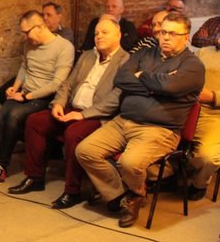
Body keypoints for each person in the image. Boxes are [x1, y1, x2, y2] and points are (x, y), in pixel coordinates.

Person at [75, 12, 205, 228]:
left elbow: (170, 86)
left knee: (129, 162)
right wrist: (155, 88)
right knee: (85, 151)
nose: (165, 37)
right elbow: (121, 78)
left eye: (173, 34)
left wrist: (141, 76)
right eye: (163, 32)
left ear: (186, 37)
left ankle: (134, 195)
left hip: (159, 129)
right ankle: (124, 195)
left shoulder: (193, 66)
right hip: (123, 120)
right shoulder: (144, 53)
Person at [8, 18, 129, 208]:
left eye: (104, 33)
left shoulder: (126, 61)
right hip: (72, 107)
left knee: (73, 133)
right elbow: (67, 84)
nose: (99, 36)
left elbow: (116, 98)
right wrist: (59, 103)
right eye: (96, 33)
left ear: (118, 35)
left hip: (97, 115)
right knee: (35, 121)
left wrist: (83, 115)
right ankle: (35, 177)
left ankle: (72, 191)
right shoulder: (88, 56)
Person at [0, 10, 74, 187]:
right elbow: (24, 67)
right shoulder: (29, 44)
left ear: (40, 27)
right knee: (1, 116)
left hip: (45, 98)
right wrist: (16, 86)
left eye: (27, 32)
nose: (25, 37)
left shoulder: (64, 47)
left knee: (13, 116)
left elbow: (56, 84)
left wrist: (26, 96)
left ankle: (1, 165)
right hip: (25, 93)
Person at [187, 45, 220, 200]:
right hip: (185, 108)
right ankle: (168, 175)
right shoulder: (203, 52)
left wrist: (213, 96)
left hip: (214, 115)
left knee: (208, 156)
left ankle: (198, 183)